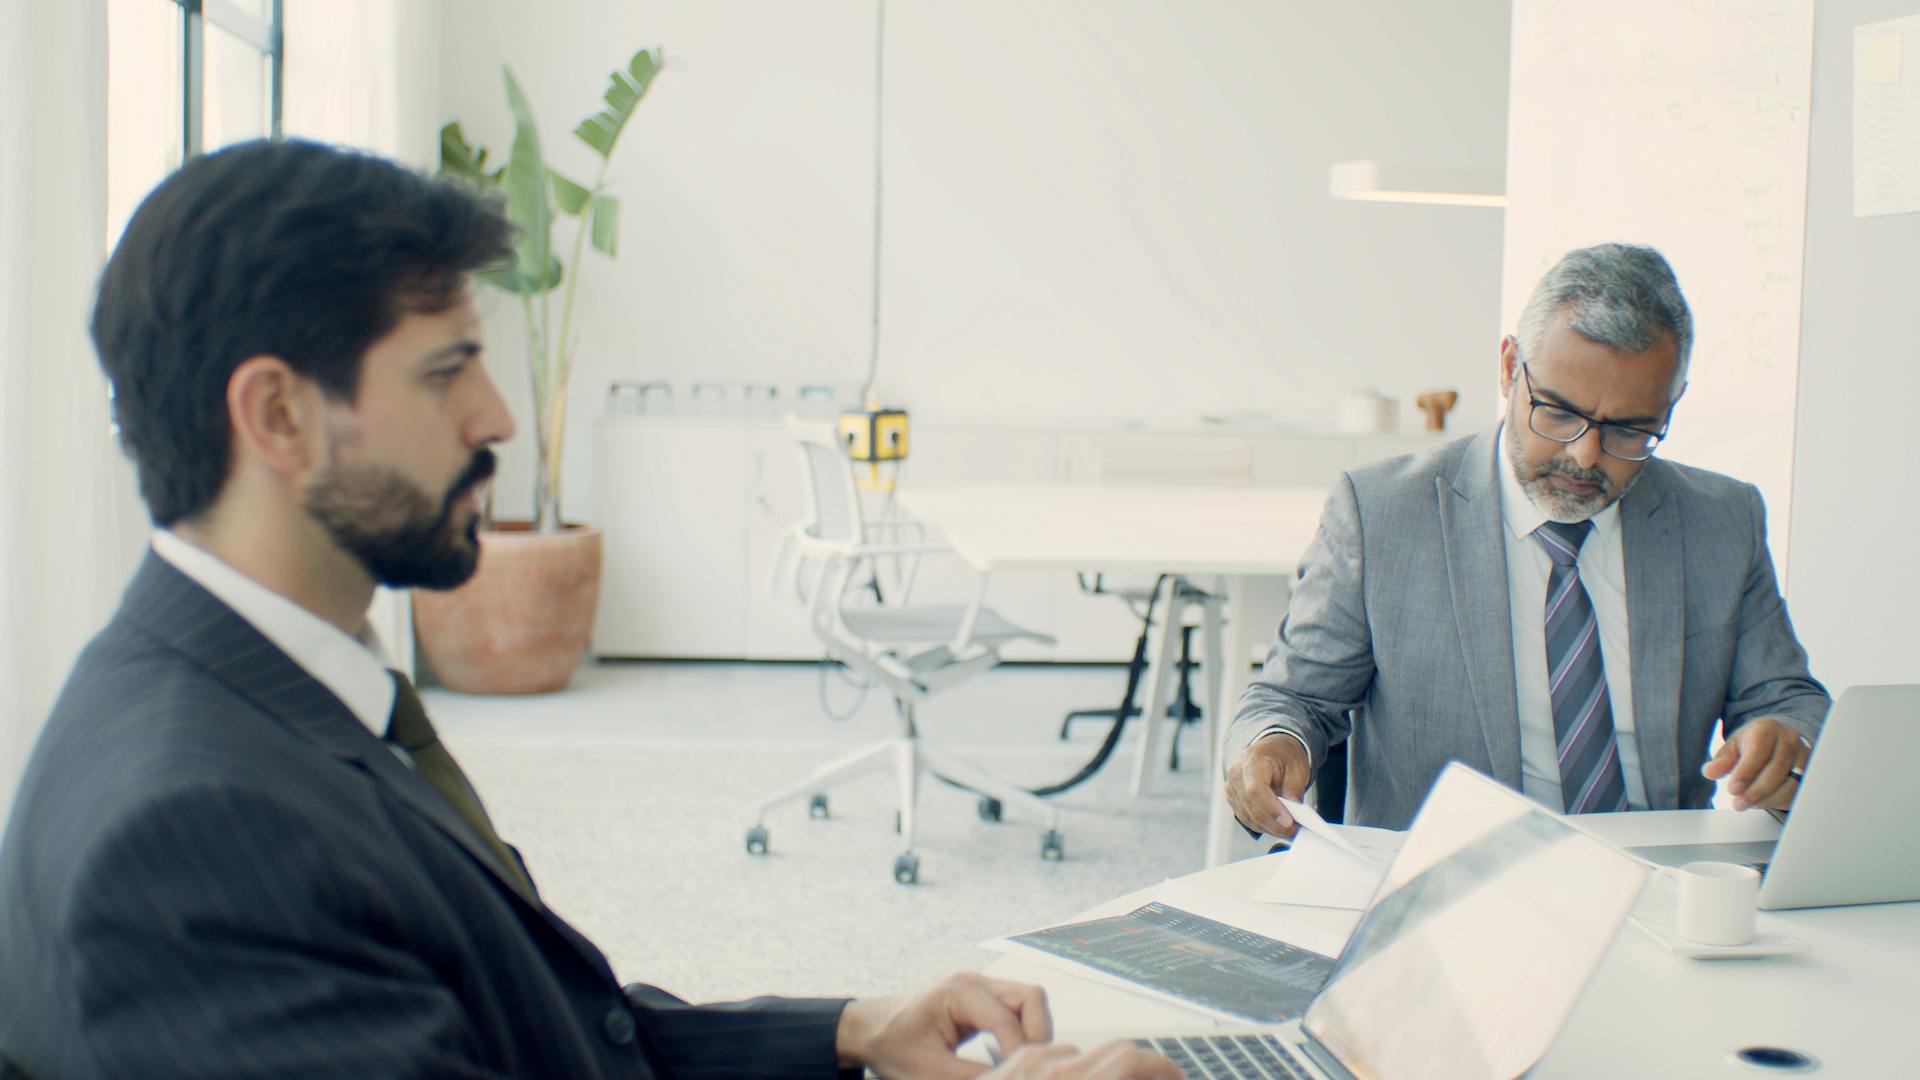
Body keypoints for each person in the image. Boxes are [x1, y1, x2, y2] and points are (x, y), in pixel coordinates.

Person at [0, 140, 1178, 1080]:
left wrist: (851, 1028)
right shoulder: (195, 838)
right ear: (278, 416)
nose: (498, 416)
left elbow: (536, 1035)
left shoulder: (256, 691)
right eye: (444, 369)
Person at [1223, 243, 1830, 839]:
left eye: (1629, 429)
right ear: (1511, 367)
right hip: (1449, 886)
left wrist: (1784, 736)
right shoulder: (1383, 514)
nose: (1584, 454)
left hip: (1659, 885)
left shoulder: (1721, 519)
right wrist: (1274, 742)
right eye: (1559, 413)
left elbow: (1785, 696)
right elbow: (1293, 696)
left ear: (1672, 404)